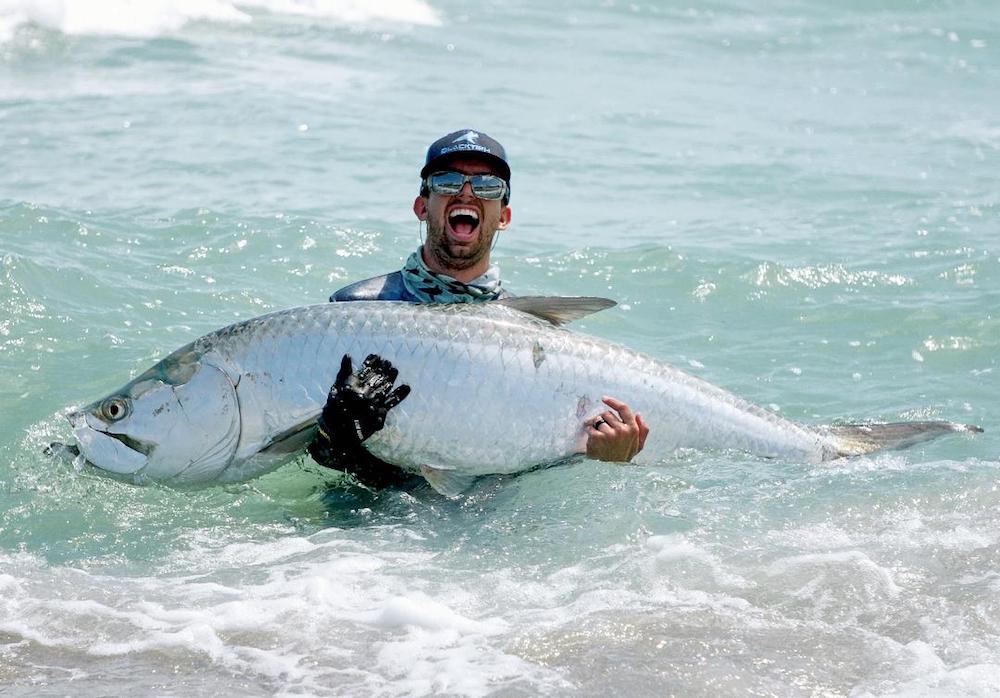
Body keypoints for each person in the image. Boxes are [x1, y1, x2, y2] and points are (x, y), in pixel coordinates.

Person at [309, 130, 649, 488]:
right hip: (366, 525)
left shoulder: (531, 334)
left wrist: (605, 459)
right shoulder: (354, 313)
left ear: (504, 216)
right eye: (447, 181)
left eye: (488, 186)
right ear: (422, 207)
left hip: (486, 526)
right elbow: (311, 456)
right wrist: (336, 436)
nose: (467, 192)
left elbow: (534, 463)